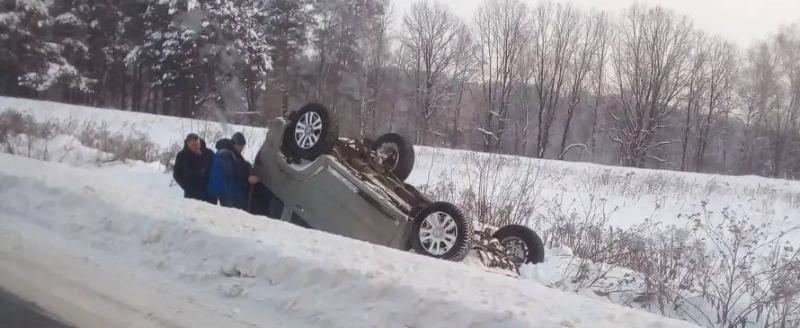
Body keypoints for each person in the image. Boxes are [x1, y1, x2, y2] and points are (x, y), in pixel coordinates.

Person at [207, 132, 251, 209]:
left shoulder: (232, 152)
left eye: (242, 146)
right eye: (240, 146)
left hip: (229, 190)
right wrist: (246, 166)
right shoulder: (224, 153)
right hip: (226, 192)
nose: (241, 149)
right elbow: (231, 169)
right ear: (234, 144)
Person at [173, 133, 216, 204]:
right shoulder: (182, 156)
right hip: (192, 196)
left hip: (209, 196)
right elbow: (177, 174)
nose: (196, 147)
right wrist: (187, 186)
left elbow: (217, 171)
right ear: (188, 144)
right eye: (193, 145)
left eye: (197, 144)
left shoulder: (209, 153)